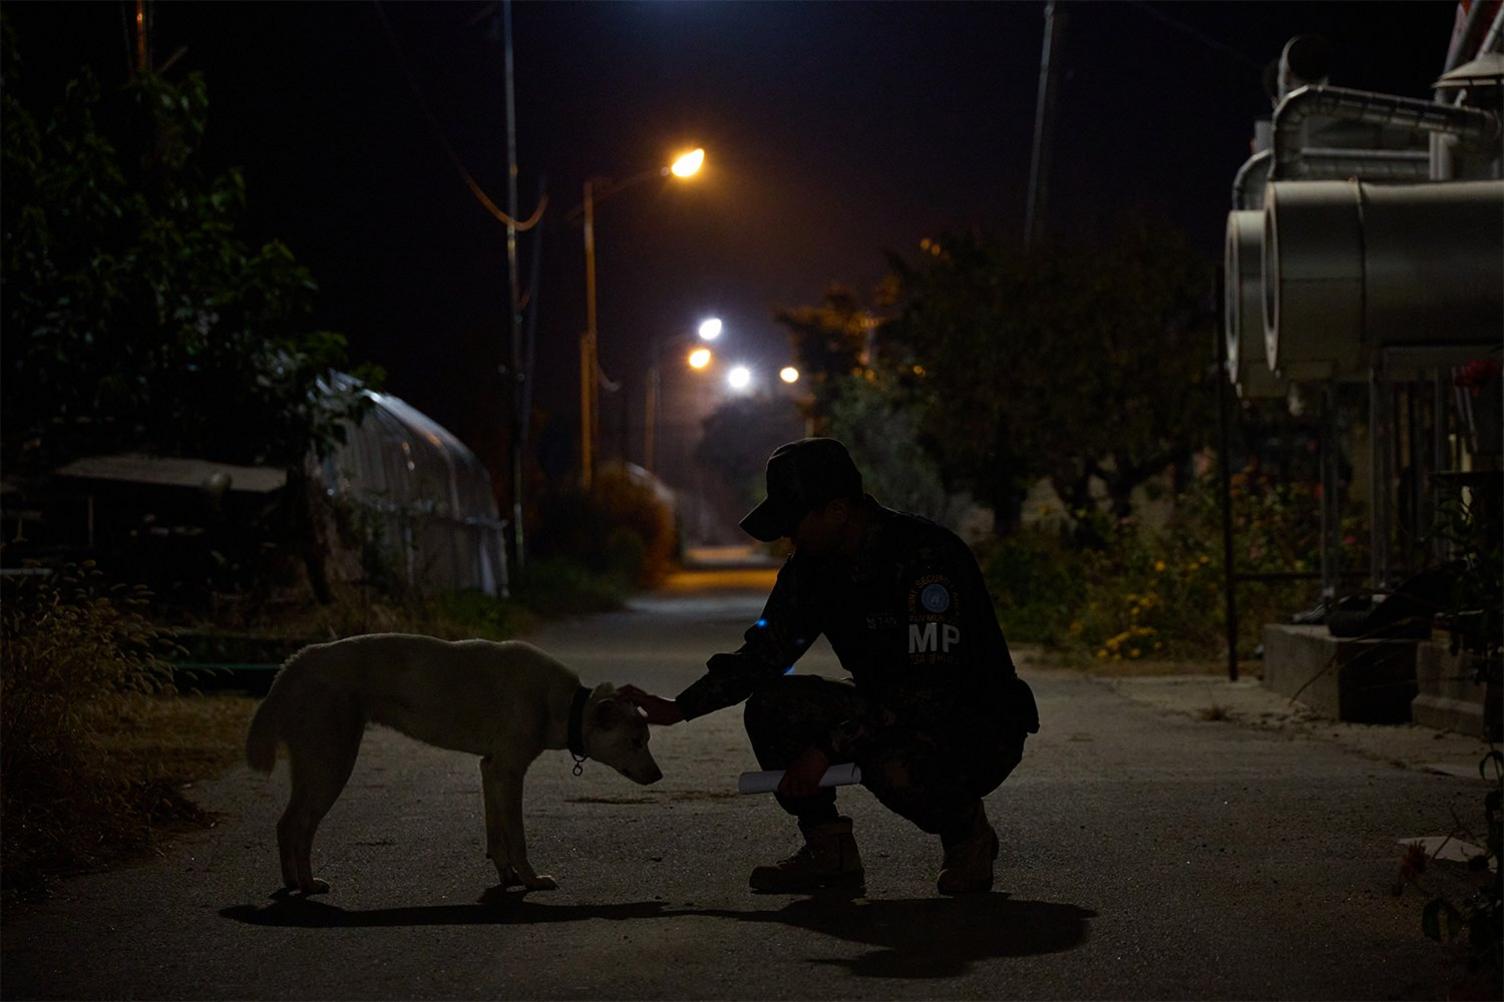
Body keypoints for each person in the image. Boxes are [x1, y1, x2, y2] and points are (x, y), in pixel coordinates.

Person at [622, 437, 1039, 896]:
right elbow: (765, 653)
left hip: (973, 725)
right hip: (884, 710)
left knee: (891, 762)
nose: (788, 537)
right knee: (772, 707)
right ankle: (830, 852)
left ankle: (967, 837)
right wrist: (679, 708)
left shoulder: (925, 560)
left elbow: (929, 692)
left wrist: (827, 746)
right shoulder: (814, 566)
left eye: (795, 523)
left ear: (838, 511)